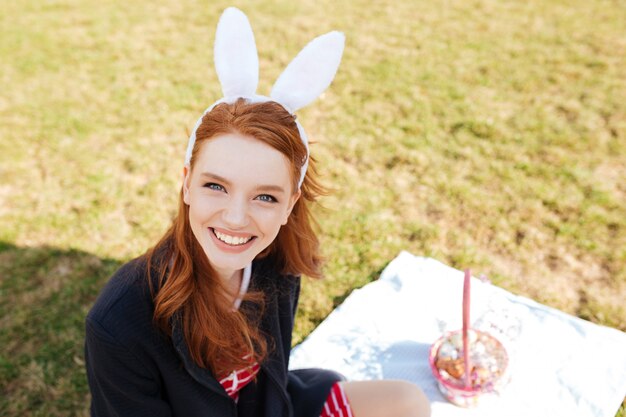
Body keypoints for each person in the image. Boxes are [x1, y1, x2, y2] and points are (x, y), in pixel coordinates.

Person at [84, 7, 430, 417]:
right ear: (187, 183)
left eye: (265, 197)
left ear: (290, 204)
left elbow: (274, 375)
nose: (235, 218)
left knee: (407, 402)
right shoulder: (119, 324)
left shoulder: (278, 260)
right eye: (216, 186)